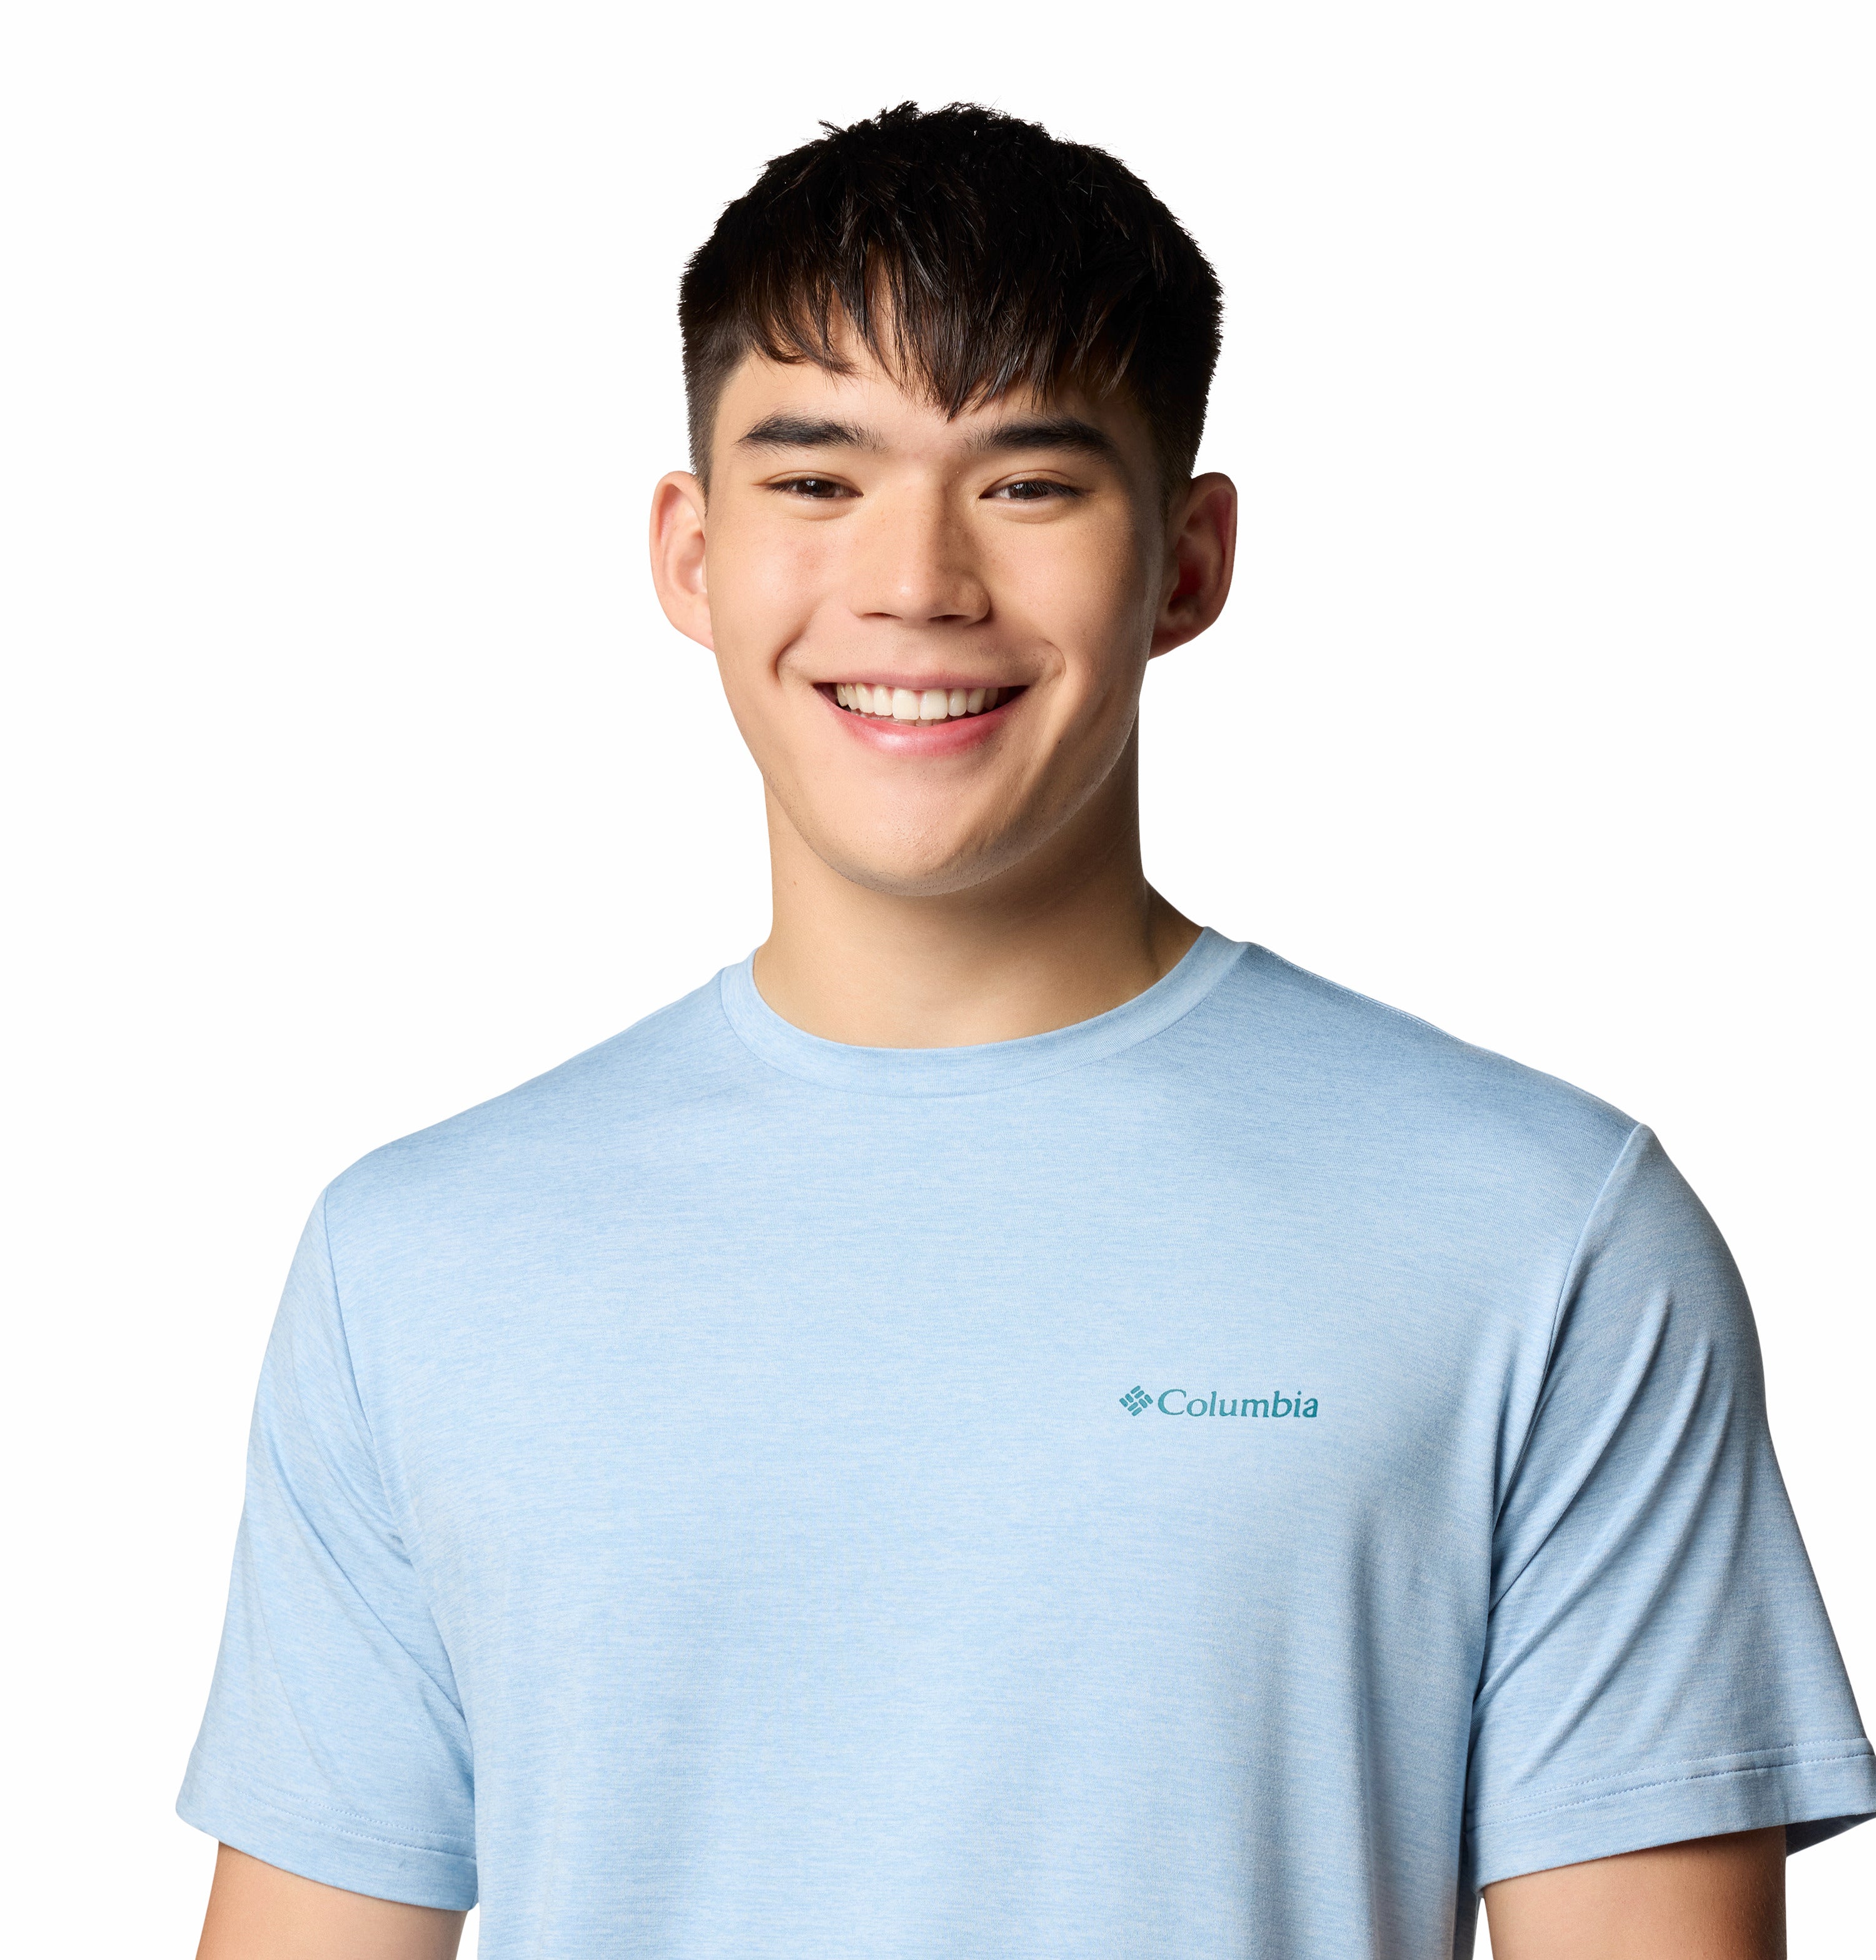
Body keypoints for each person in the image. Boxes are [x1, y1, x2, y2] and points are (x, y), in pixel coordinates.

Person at [183, 102, 1872, 1959]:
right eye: (816, 480)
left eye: (1029, 483)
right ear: (690, 554)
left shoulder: (1542, 1229)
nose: (916, 580)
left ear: (1189, 562)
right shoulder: (419, 1258)